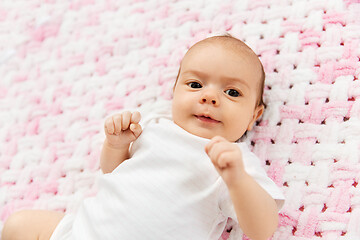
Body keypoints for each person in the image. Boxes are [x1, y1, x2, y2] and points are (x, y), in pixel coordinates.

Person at [1, 34, 284, 240]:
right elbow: (114, 172)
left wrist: (236, 180)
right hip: (82, 232)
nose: (209, 97)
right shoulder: (154, 125)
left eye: (232, 92)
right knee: (20, 224)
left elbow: (263, 230)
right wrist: (117, 145)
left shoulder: (233, 162)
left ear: (254, 114)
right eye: (195, 84)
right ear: (174, 92)